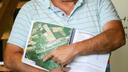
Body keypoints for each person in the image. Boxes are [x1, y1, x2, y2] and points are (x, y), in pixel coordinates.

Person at [4, 0, 126, 72]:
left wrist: (74, 50)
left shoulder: (100, 2)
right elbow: (10, 57)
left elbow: (117, 36)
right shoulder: (30, 8)